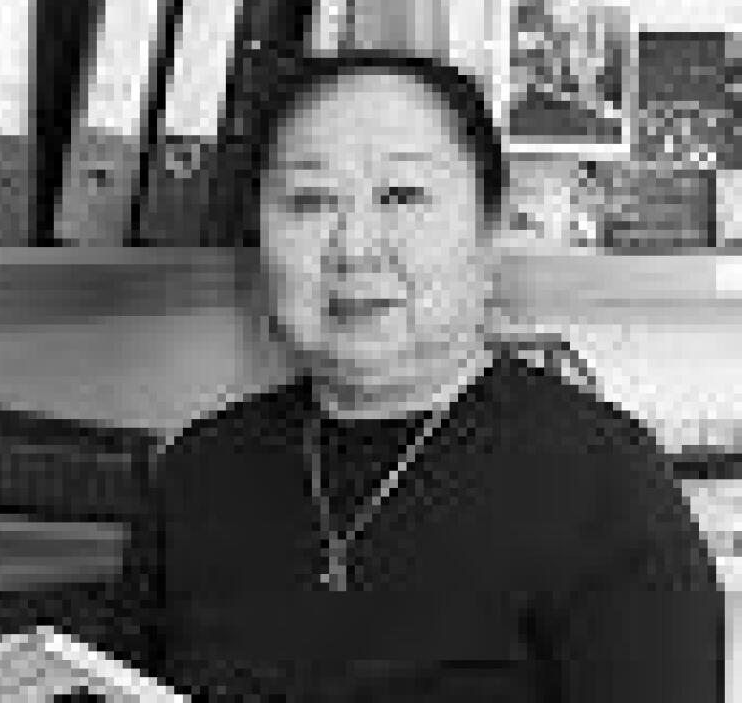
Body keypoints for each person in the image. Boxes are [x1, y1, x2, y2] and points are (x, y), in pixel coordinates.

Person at [122, 51, 723, 701]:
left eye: (402, 196)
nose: (354, 246)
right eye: (309, 201)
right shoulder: (199, 470)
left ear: (489, 229)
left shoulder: (604, 480)